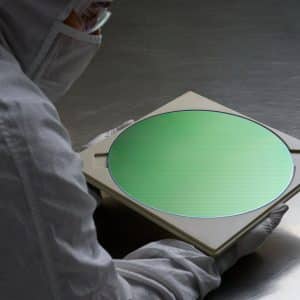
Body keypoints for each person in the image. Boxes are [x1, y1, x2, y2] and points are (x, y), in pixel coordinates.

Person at [0, 1, 288, 299]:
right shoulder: (16, 126)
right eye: (88, 12)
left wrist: (68, 184)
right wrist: (196, 256)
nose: (90, 30)